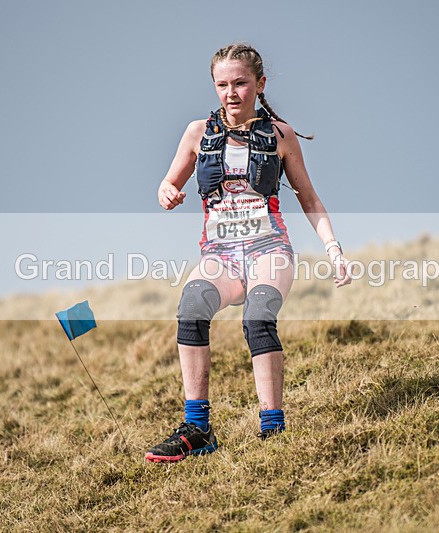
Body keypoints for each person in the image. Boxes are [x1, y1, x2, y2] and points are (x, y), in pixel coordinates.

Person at [146, 43, 351, 463]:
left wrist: (334, 250)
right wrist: (166, 192)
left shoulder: (281, 136)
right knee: (191, 307)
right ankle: (197, 430)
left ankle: (273, 429)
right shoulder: (197, 133)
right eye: (222, 85)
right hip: (220, 254)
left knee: (257, 318)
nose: (231, 93)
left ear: (260, 84)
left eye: (240, 83)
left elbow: (309, 198)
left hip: (268, 250)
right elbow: (168, 183)